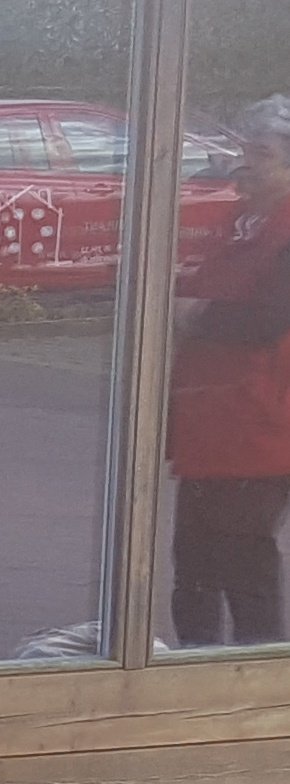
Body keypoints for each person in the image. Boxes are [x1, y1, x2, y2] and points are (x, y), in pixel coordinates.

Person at [169, 96, 290, 649]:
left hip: (258, 425)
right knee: (194, 562)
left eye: (261, 154)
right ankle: (196, 673)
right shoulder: (244, 221)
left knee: (243, 561)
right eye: (246, 151)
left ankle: (250, 682)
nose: (245, 164)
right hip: (213, 421)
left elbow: (266, 318)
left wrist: (193, 312)